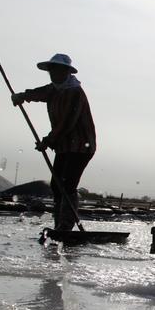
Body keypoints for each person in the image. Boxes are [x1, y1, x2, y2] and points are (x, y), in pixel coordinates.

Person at [11, 53, 96, 231]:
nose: (53, 74)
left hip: (81, 146)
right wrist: (21, 96)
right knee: (56, 186)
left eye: (57, 70)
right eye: (51, 70)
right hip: (63, 146)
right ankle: (59, 225)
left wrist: (48, 141)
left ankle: (65, 227)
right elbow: (39, 93)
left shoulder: (75, 93)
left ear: (66, 72)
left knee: (68, 185)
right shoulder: (54, 89)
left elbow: (67, 123)